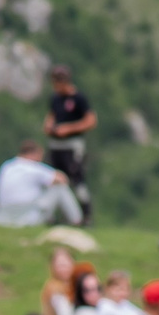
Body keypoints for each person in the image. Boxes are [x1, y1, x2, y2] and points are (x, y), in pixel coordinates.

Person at [43, 65, 96, 221]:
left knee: (76, 178)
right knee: (54, 178)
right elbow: (52, 116)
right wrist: (49, 126)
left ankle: (85, 215)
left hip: (72, 145)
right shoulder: (55, 98)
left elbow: (91, 121)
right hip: (55, 145)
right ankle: (55, 215)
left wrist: (69, 128)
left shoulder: (79, 98)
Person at [0, 140, 83, 228]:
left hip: (2, 216)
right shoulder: (33, 167)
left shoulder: (7, 166)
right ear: (34, 154)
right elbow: (62, 179)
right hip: (28, 217)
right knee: (60, 188)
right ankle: (77, 221)